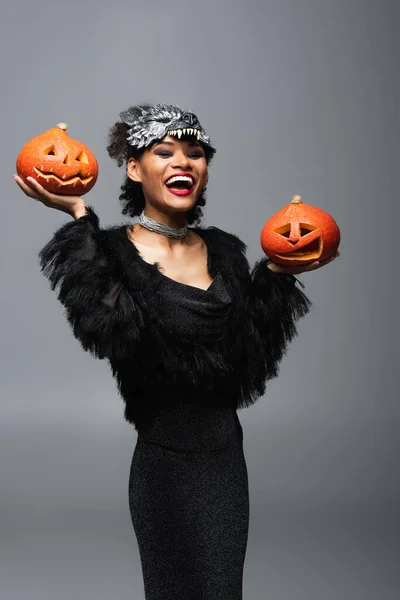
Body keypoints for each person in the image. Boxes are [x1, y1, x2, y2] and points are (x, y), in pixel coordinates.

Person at [14, 103, 339, 600]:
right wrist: (79, 216)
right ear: (133, 167)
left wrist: (279, 275)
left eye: (196, 154)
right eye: (164, 152)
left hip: (224, 460)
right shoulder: (111, 253)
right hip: (163, 464)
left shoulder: (226, 250)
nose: (183, 162)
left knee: (221, 589)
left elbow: (246, 358)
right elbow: (113, 334)